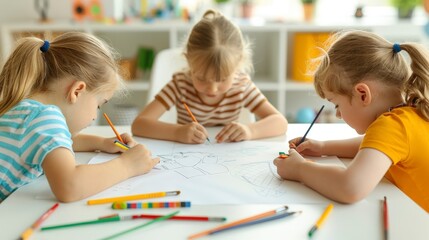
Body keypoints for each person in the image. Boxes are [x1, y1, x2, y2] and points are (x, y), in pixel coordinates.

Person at [274, 30, 429, 212]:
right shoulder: (414, 109)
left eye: (337, 104)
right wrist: (323, 147)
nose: (338, 115)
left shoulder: (391, 125)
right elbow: (376, 146)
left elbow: (350, 188)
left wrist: (299, 169)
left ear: (362, 94)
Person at [0, 32, 159, 203]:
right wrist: (127, 166)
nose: (94, 115)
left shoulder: (22, 107)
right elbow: (70, 186)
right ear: (77, 91)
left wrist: (102, 143)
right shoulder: (45, 117)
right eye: (98, 105)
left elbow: (55, 145)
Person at [132, 10, 288, 144]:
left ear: (238, 65)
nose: (212, 89)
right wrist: (177, 133)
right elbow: (139, 125)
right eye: (201, 78)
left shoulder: (241, 85)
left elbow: (280, 122)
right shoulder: (180, 84)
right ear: (188, 61)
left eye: (222, 79)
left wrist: (249, 131)